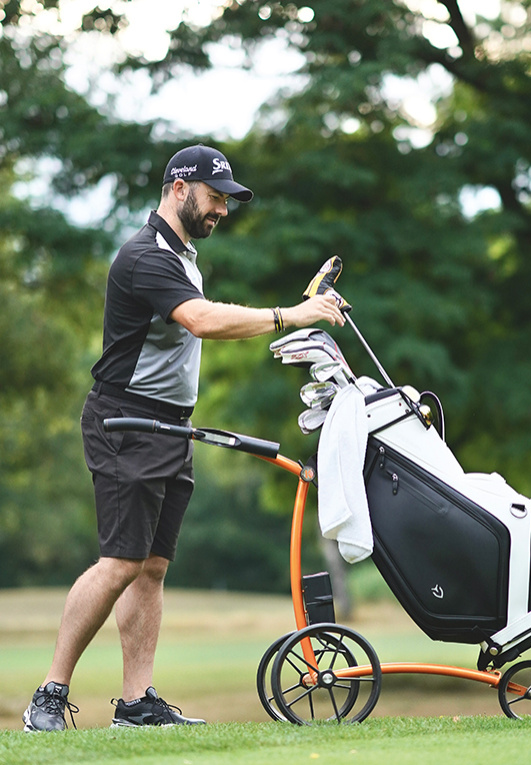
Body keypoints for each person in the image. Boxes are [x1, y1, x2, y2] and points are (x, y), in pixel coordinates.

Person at [23, 144, 345, 732]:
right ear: (178, 188)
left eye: (226, 199)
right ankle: (48, 695)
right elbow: (201, 320)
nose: (222, 208)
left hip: (168, 424)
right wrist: (292, 315)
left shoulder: (184, 254)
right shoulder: (145, 256)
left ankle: (137, 703)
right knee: (119, 562)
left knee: (150, 568)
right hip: (127, 421)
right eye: (215, 196)